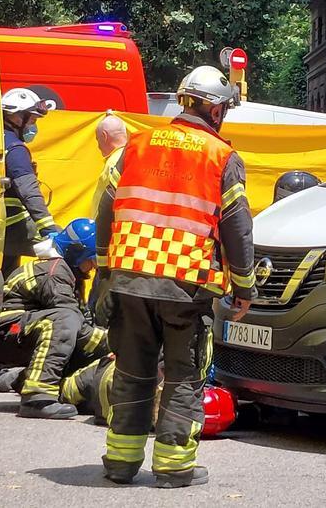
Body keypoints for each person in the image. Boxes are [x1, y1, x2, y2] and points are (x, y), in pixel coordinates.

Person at [100, 65, 256, 488]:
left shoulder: (136, 144)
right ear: (215, 109)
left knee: (133, 371)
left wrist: (103, 271)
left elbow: (105, 209)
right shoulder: (220, 155)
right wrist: (244, 287)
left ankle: (120, 462)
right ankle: (172, 467)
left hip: (130, 278)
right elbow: (237, 226)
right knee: (184, 376)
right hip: (185, 286)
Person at [0, 218, 110, 419]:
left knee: (77, 340)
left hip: (22, 332)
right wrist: (115, 341)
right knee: (64, 322)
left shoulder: (68, 273)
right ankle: (37, 397)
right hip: (6, 333)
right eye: (91, 259)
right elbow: (73, 325)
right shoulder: (55, 273)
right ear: (77, 253)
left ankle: (21, 379)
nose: (93, 267)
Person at [2, 87, 60, 274]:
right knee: (67, 248)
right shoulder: (15, 149)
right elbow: (29, 193)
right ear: (16, 117)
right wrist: (48, 228)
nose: (34, 126)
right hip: (13, 225)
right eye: (32, 120)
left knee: (6, 269)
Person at [89, 113, 129, 314]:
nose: (97, 146)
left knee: (100, 304)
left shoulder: (115, 164)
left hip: (109, 247)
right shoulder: (127, 158)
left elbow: (106, 210)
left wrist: (99, 248)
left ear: (104, 136)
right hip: (120, 248)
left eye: (97, 140)